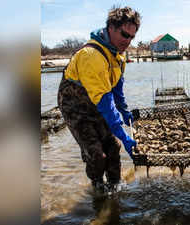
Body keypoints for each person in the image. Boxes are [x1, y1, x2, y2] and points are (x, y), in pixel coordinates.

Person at [57, 6, 140, 193]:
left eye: (132, 37)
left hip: (97, 103)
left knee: (113, 147)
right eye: (124, 35)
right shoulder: (91, 56)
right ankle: (97, 189)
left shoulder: (118, 55)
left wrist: (125, 110)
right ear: (111, 27)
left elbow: (117, 89)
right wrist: (125, 135)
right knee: (97, 155)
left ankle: (116, 187)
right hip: (76, 107)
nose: (128, 41)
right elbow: (106, 104)